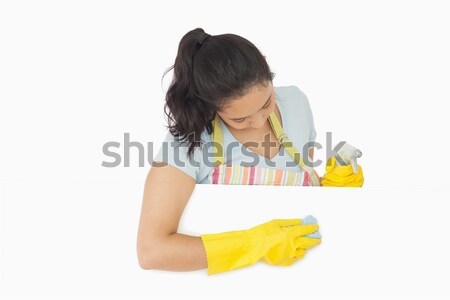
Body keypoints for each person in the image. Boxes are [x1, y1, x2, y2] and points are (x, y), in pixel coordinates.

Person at [137, 28, 362, 276]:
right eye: (240, 119)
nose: (258, 121)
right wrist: (256, 244)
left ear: (266, 65)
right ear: (211, 106)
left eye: (267, 102)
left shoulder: (296, 102)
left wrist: (332, 193)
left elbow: (299, 194)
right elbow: (151, 251)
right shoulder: (189, 140)